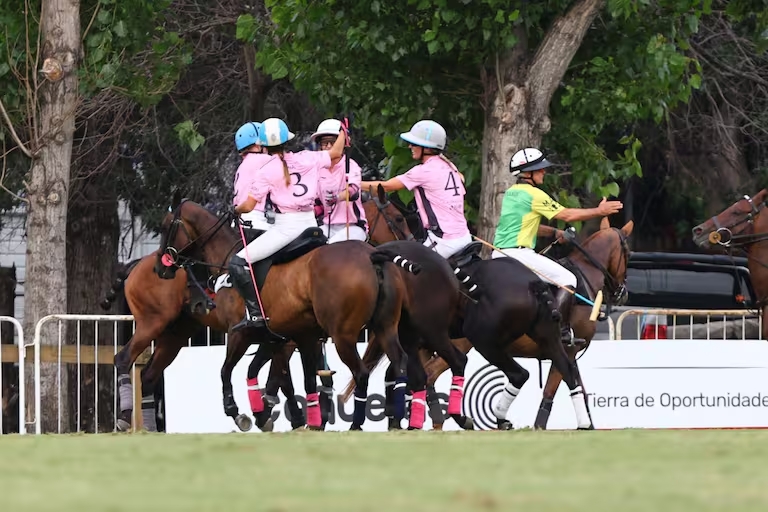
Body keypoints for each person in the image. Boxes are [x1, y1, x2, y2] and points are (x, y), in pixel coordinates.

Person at [493, 147, 623, 342]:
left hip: (500, 254)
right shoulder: (534, 194)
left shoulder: (513, 193)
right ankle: (560, 330)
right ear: (527, 173)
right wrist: (599, 211)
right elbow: (568, 215)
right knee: (568, 278)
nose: (544, 171)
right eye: (539, 169)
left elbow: (529, 225)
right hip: (518, 255)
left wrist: (554, 232)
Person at [230, 117, 347, 331]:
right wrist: (343, 133)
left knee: (238, 262)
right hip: (312, 225)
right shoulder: (307, 157)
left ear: (263, 144)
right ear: (288, 140)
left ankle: (255, 315)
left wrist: (235, 209)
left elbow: (247, 206)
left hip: (286, 228)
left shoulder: (265, 169)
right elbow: (336, 153)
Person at [362, 120, 471, 258]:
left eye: (414, 144)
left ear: (426, 147)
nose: (410, 146)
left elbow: (386, 187)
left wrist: (352, 183)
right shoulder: (451, 167)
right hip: (465, 237)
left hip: (444, 241)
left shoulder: (422, 171)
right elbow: (462, 179)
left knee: (406, 269)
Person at [311, 119, 368, 243]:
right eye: (325, 143)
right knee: (307, 242)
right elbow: (319, 205)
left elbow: (353, 191)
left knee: (330, 247)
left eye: (333, 142)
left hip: (353, 227)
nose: (329, 147)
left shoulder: (350, 165)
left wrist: (337, 197)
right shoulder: (317, 170)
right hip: (328, 226)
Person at [232, 122, 274, 233]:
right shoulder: (263, 160)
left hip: (239, 219)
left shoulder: (245, 163)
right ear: (258, 144)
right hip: (254, 220)